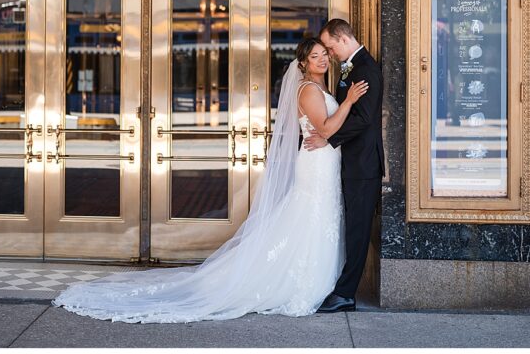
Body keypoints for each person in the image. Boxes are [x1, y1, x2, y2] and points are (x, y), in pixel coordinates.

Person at [52, 37, 368, 322]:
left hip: (324, 161)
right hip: (316, 165)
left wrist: (335, 120)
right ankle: (299, 281)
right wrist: (350, 102)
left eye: (325, 54)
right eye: (316, 56)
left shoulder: (323, 88)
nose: (323, 59)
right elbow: (325, 129)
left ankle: (320, 279)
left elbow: (326, 131)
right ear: (304, 63)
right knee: (311, 217)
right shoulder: (310, 90)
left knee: (318, 218)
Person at [304, 19, 384, 313]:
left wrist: (329, 137)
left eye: (329, 47)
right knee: (353, 227)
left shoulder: (366, 69)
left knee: (359, 230)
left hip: (363, 164)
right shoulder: (352, 67)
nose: (328, 53)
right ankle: (342, 288)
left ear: (341, 39)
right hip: (350, 162)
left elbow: (364, 119)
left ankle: (346, 294)